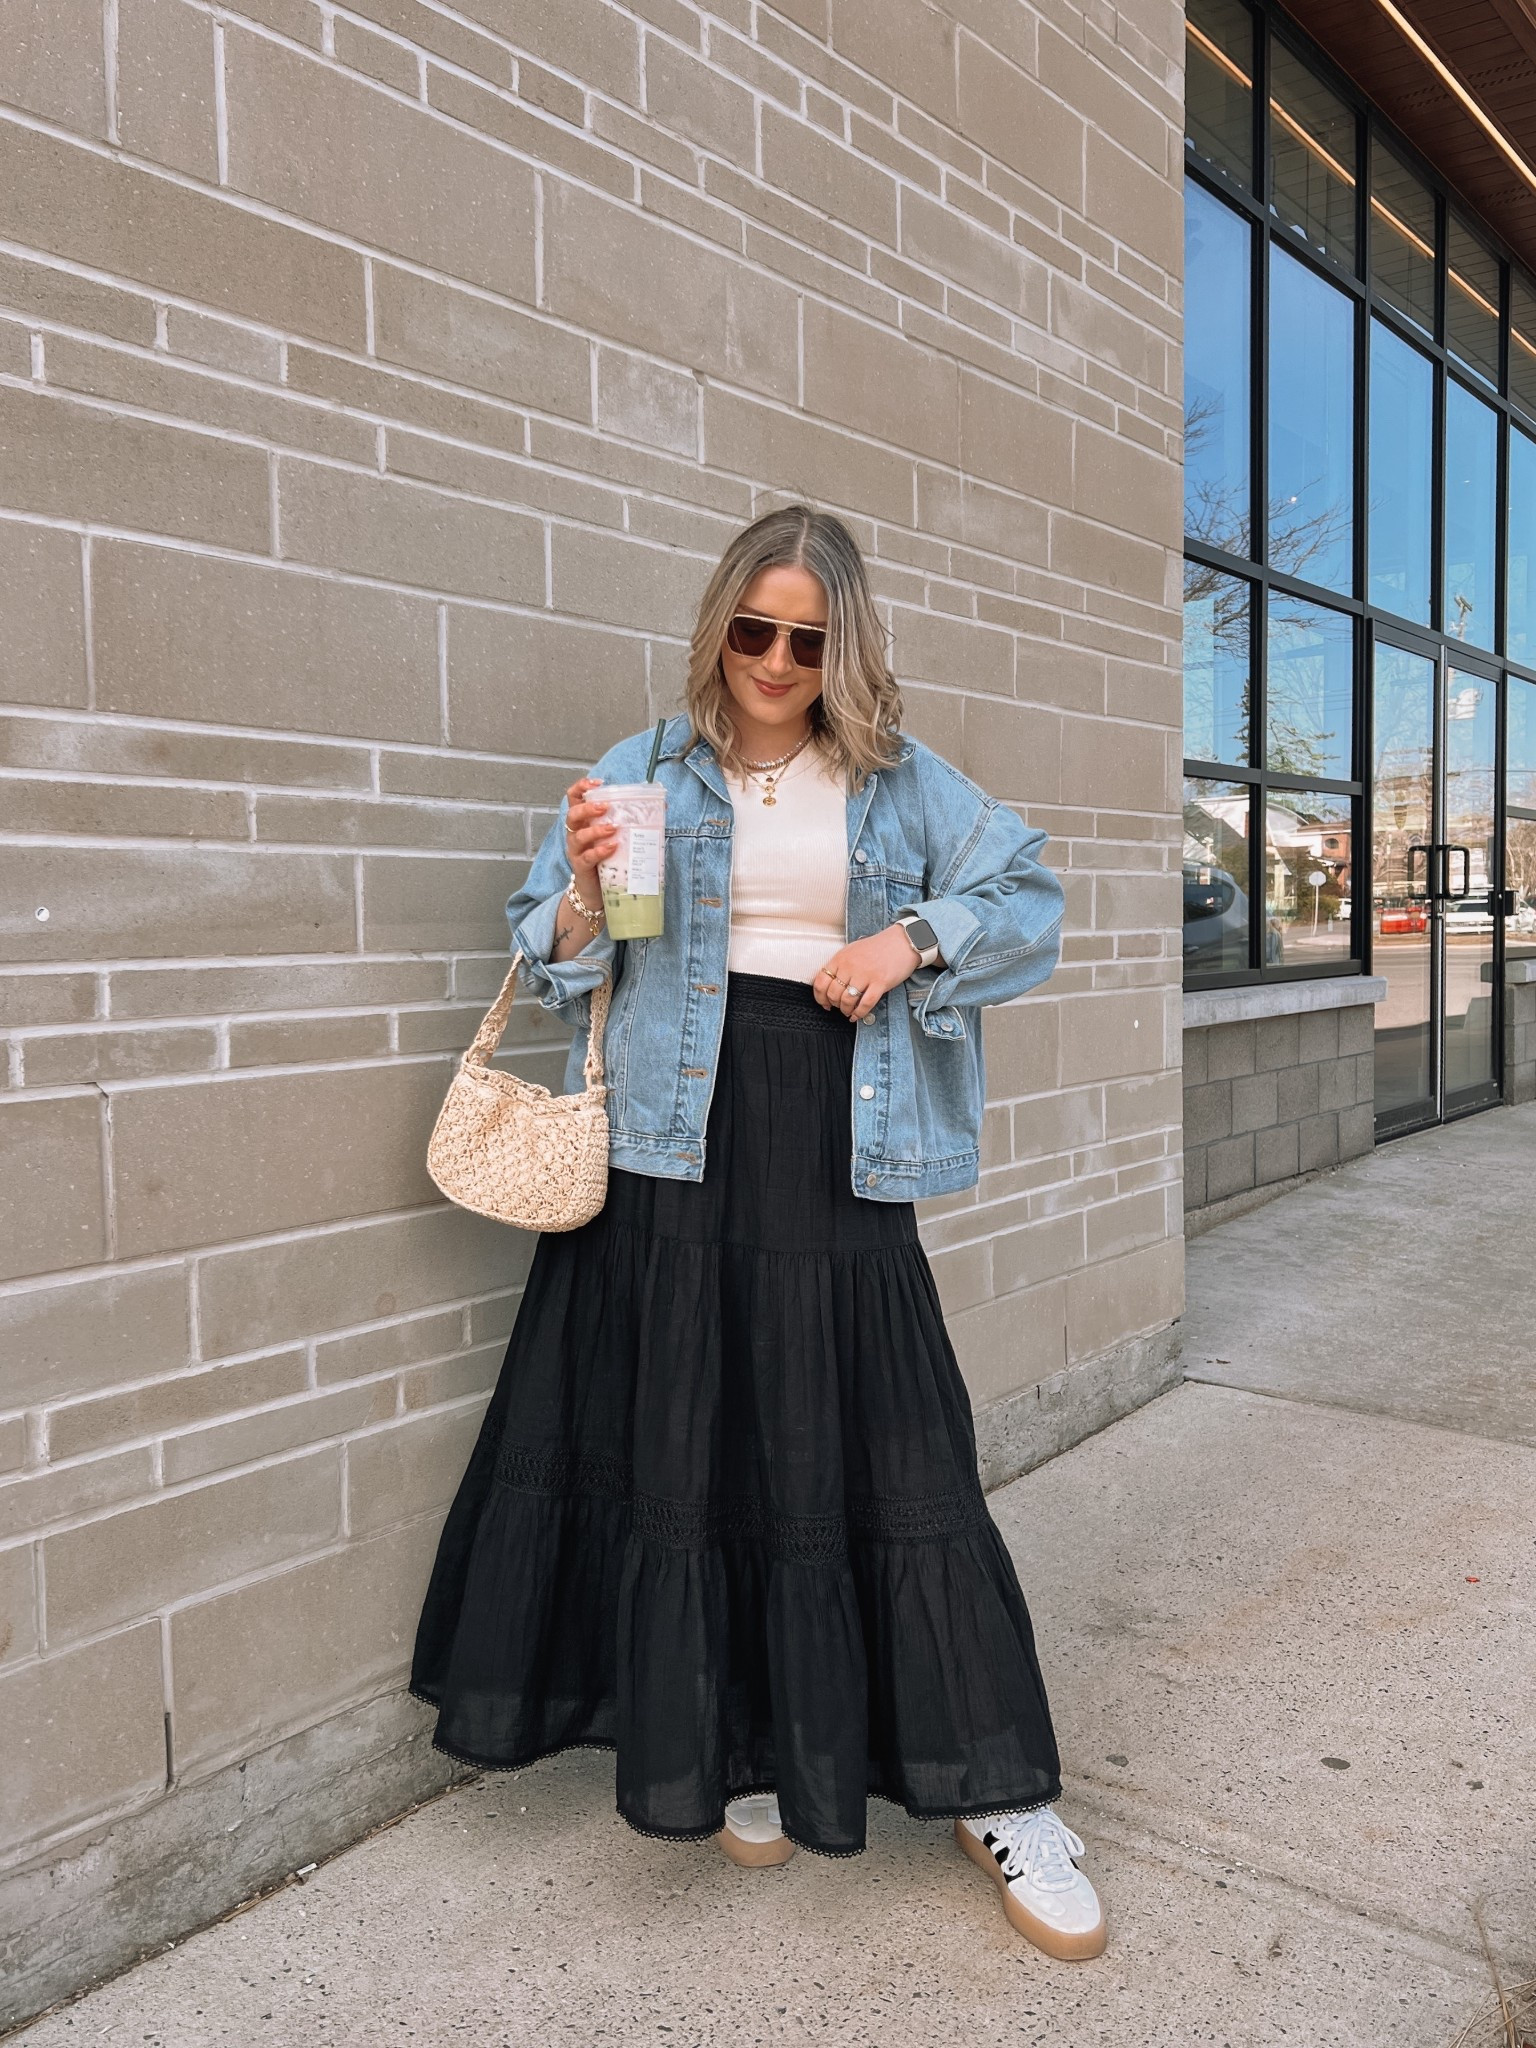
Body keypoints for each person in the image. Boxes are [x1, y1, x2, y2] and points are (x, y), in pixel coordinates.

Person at [411, 504, 1104, 1959]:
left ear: (841, 644)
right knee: (693, 1438)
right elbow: (547, 950)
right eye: (756, 628)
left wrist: (906, 942)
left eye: (810, 636)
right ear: (718, 623)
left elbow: (1031, 894)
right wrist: (588, 892)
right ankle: (738, 1746)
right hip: (671, 1139)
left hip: (830, 1129)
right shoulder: (641, 770)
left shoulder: (900, 783)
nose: (778, 660)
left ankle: (1003, 1790)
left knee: (895, 1450)